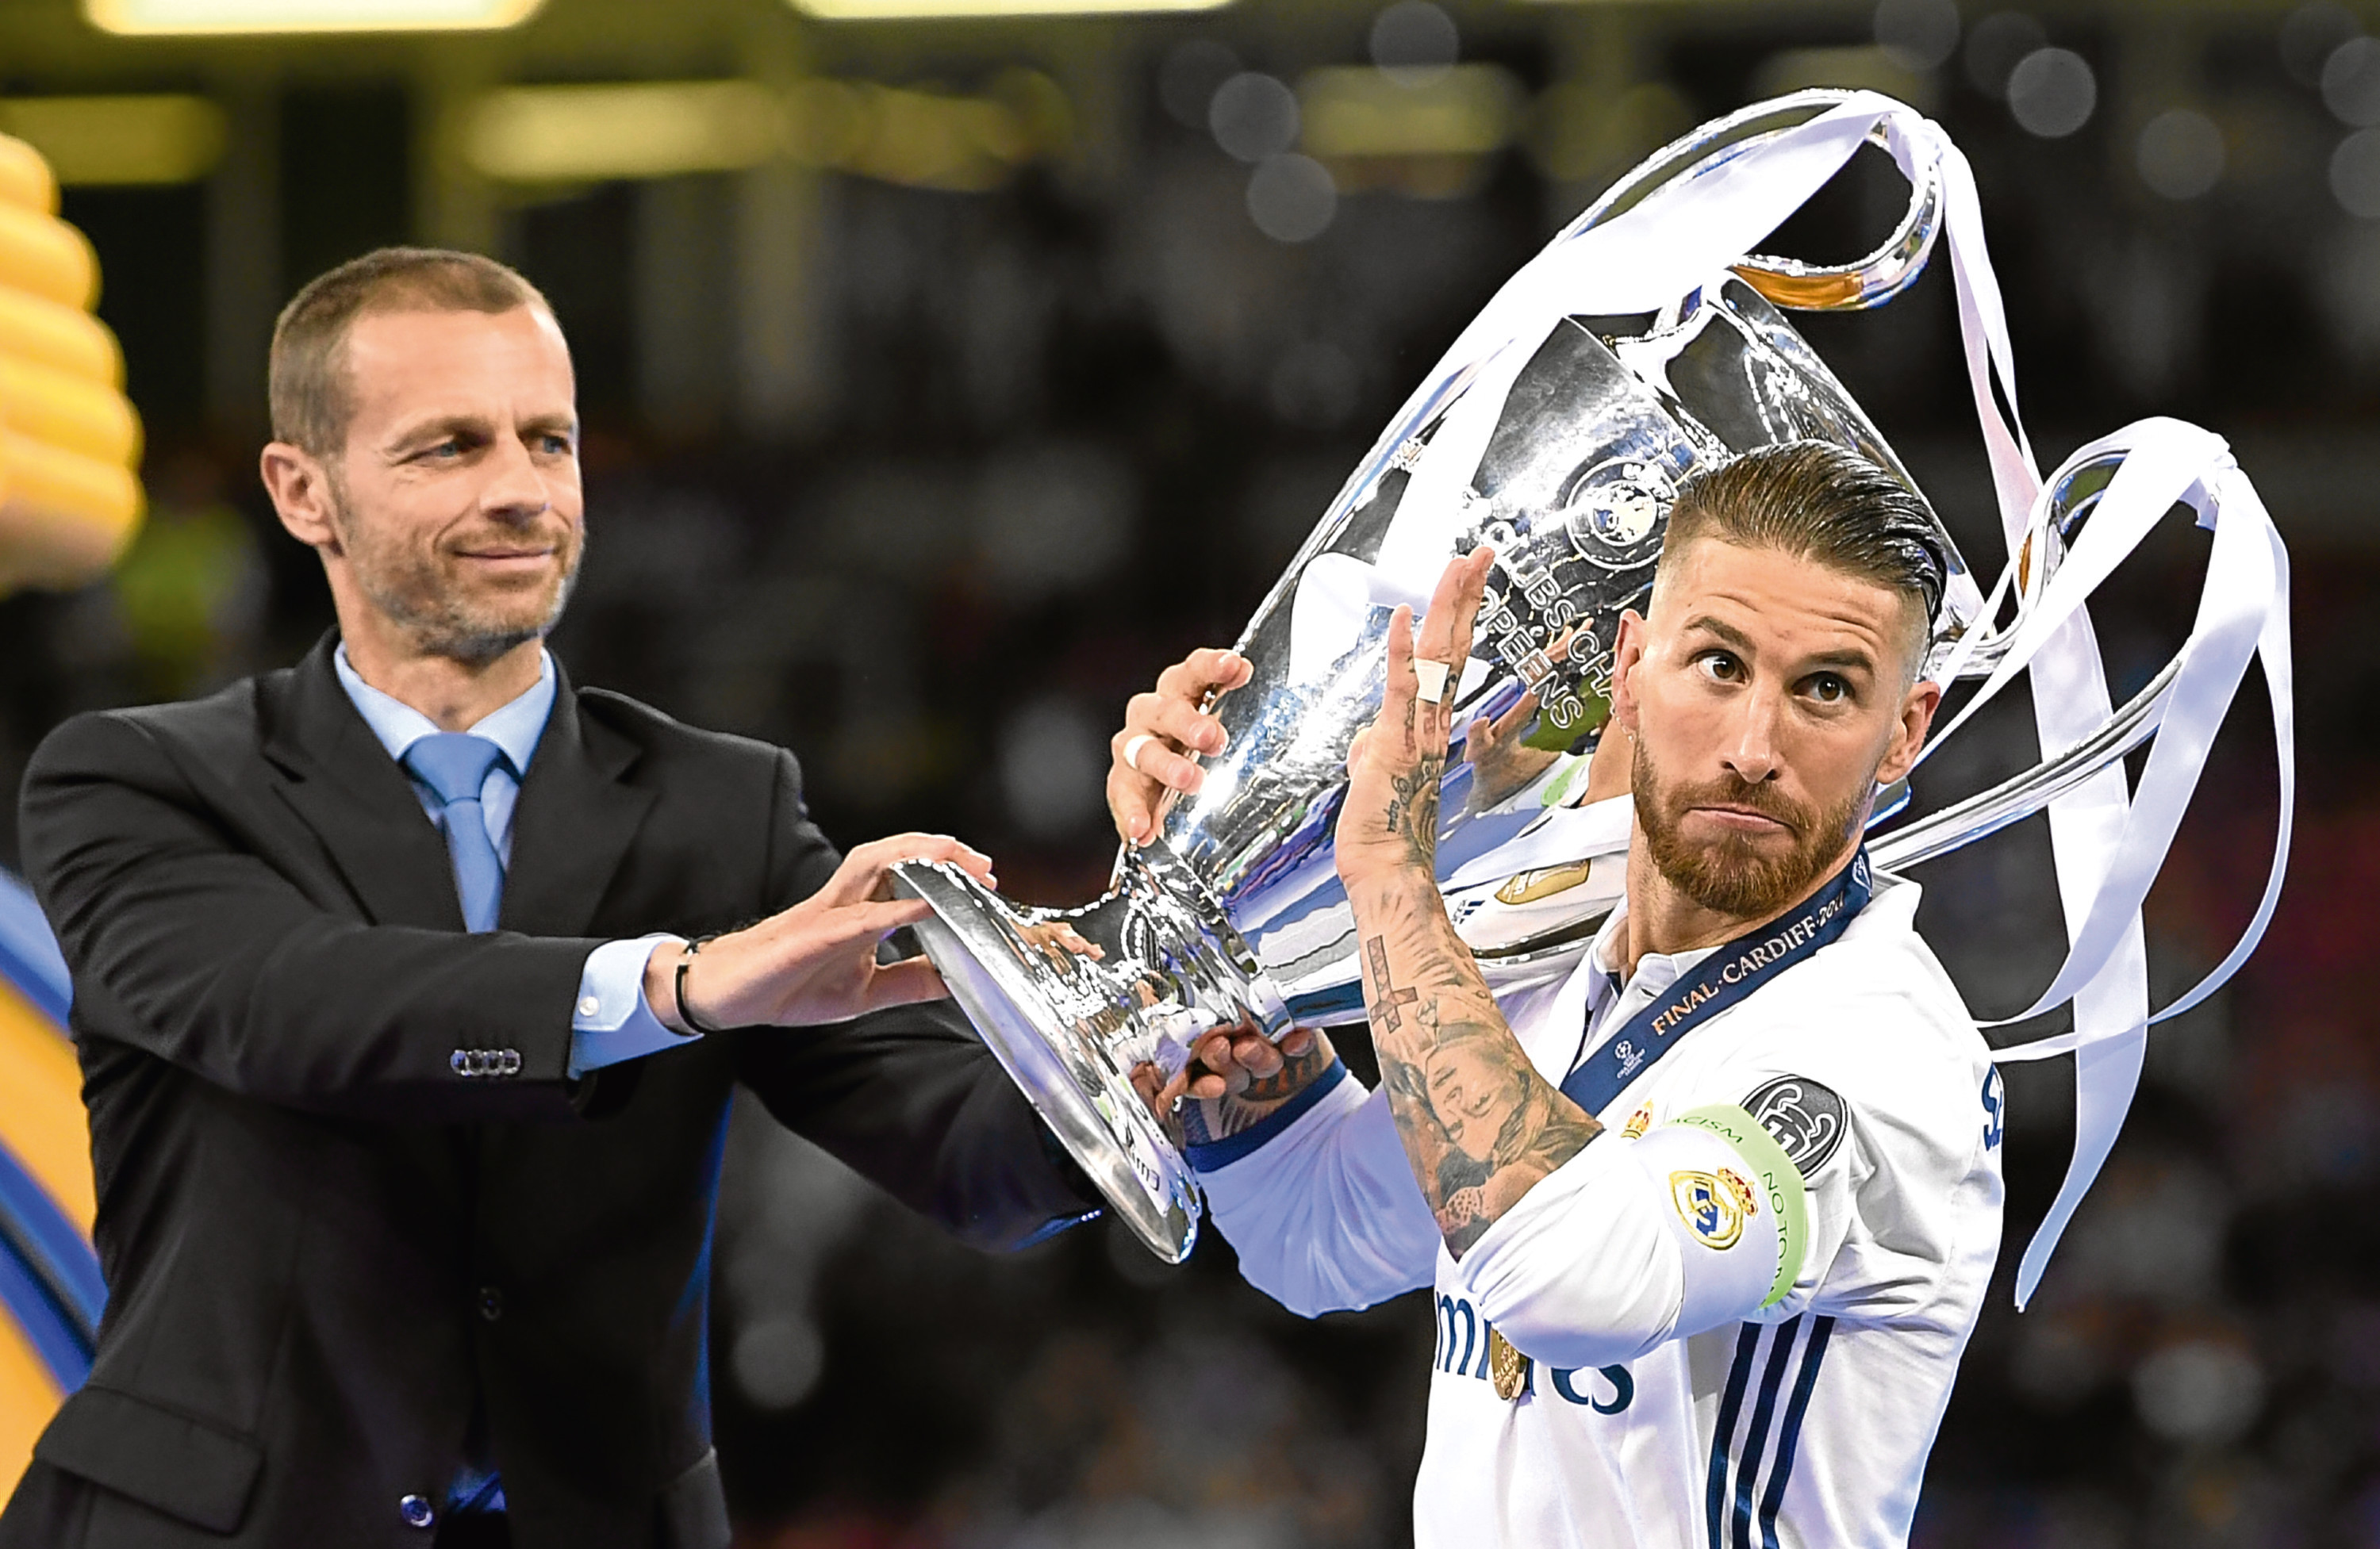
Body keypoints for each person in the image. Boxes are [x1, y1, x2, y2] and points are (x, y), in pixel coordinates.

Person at [0, 248, 1100, 1549]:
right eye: (449, 448)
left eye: (549, 440)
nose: (521, 491)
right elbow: (287, 1006)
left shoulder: (721, 805)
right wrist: (673, 985)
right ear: (305, 493)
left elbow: (965, 1154)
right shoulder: (137, 778)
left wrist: (1139, 1067)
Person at [1109, 441, 2006, 1548]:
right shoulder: (1554, 953)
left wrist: (1391, 875)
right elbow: (1323, 1233)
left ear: (1902, 733)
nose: (1754, 747)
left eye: (1825, 688)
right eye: (1719, 665)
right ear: (1631, 667)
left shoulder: (1878, 1055)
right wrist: (1240, 1058)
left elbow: (1569, 1278)